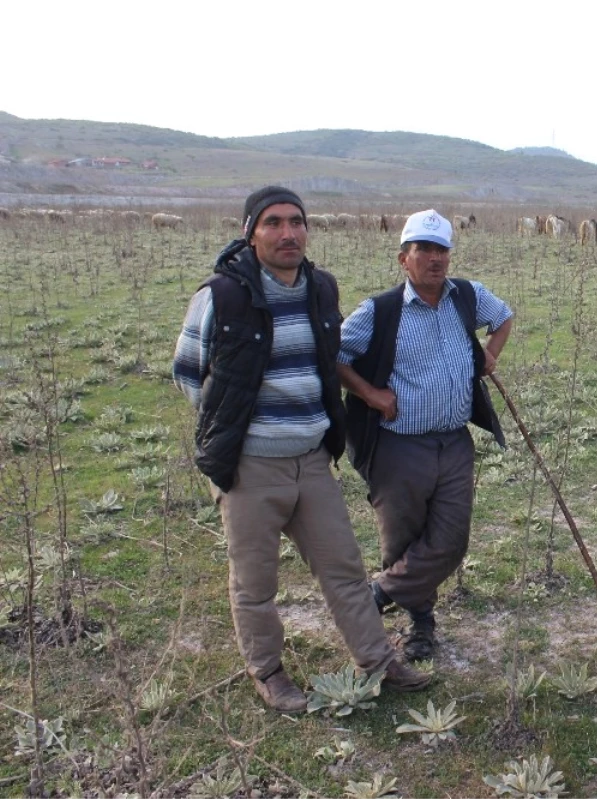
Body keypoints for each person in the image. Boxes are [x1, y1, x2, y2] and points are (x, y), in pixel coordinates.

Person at [172, 186, 431, 712]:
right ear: (250, 232)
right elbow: (188, 373)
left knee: (344, 567)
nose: (287, 233)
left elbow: (327, 362)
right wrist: (236, 427)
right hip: (250, 467)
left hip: (312, 459)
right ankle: (268, 673)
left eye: (296, 222)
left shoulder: (320, 289)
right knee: (255, 581)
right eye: (273, 223)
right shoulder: (221, 296)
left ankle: (378, 660)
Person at [337, 210, 513, 661]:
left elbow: (504, 317)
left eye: (441, 251)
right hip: (399, 445)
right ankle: (421, 625)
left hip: (454, 441)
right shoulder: (381, 310)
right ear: (404, 259)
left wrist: (490, 353)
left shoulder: (467, 297)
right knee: (402, 539)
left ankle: (376, 595)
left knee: (451, 541)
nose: (435, 259)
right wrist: (371, 394)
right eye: (424, 251)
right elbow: (334, 354)